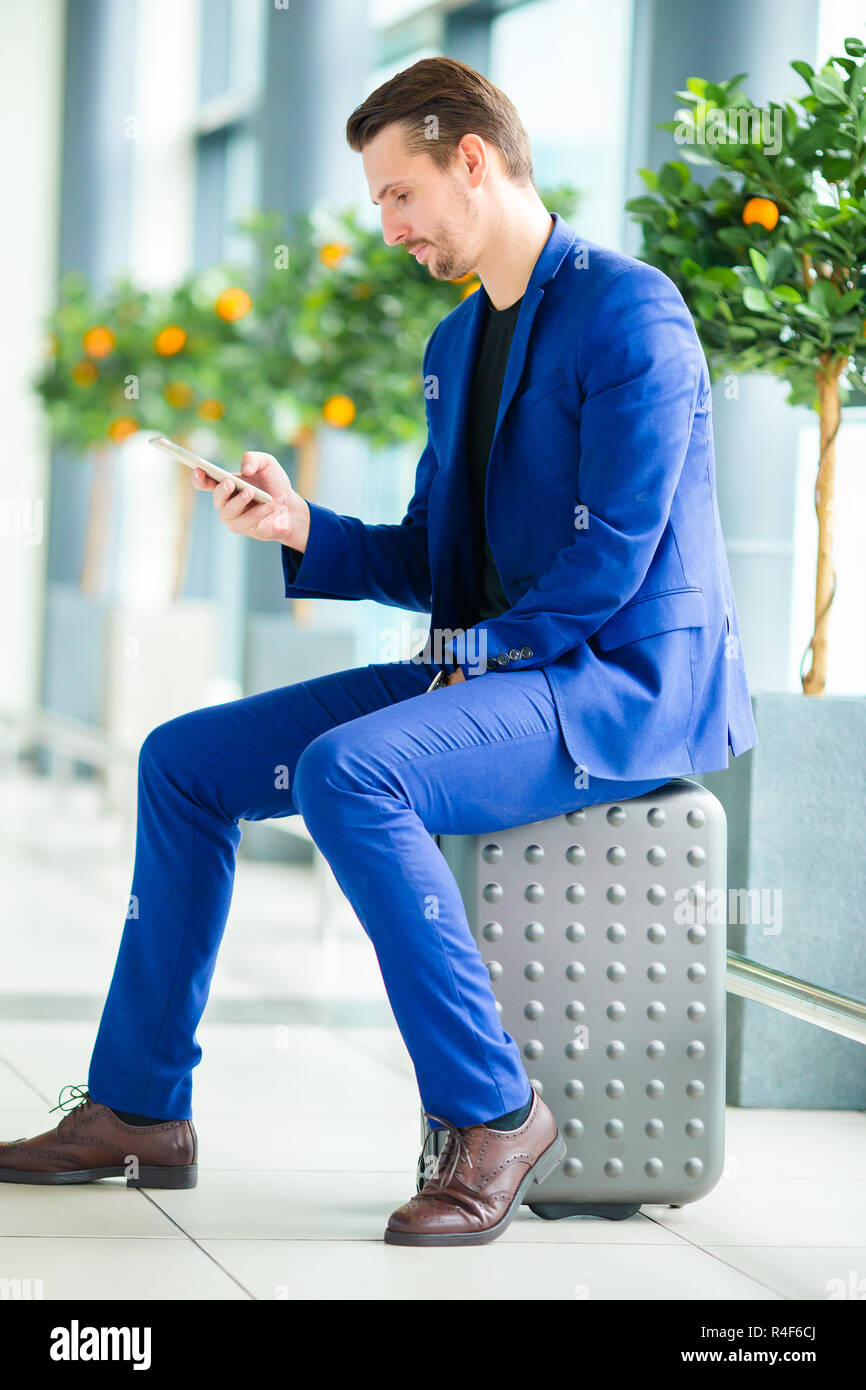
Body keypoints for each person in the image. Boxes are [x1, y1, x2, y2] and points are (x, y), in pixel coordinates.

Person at [0, 56, 756, 1247]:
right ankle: (140, 1108)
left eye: (398, 194)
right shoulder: (458, 346)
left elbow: (610, 557)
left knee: (357, 770)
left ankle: (494, 1112)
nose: (388, 226)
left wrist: (471, 652)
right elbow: (426, 554)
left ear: (472, 158)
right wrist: (301, 525)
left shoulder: (628, 310)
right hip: (496, 665)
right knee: (182, 758)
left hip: (610, 684)